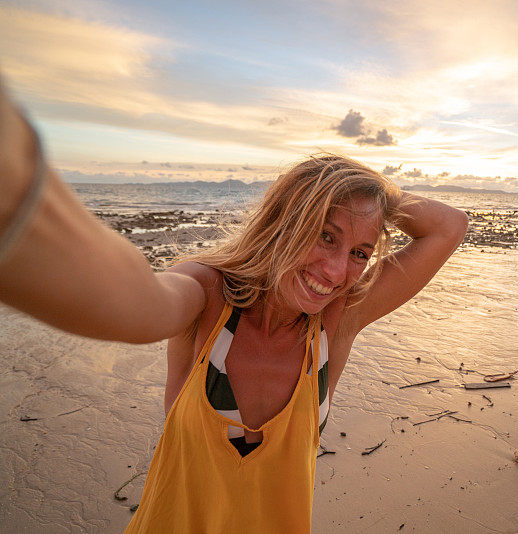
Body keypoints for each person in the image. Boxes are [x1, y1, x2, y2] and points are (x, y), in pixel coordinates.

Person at [0, 82, 469, 533]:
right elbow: (135, 303)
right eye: (325, 235)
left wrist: (371, 195)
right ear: (285, 220)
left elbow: (449, 225)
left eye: (360, 253)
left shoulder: (335, 324)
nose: (335, 271)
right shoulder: (206, 295)